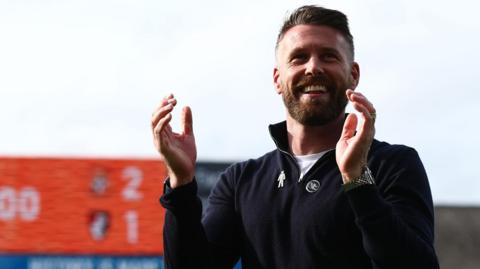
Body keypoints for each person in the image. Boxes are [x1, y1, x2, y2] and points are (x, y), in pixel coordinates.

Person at [151, 5, 439, 269]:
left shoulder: (393, 164)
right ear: (278, 78)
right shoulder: (241, 181)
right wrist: (180, 185)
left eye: (328, 56)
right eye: (299, 57)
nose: (313, 67)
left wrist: (357, 180)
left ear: (353, 74)